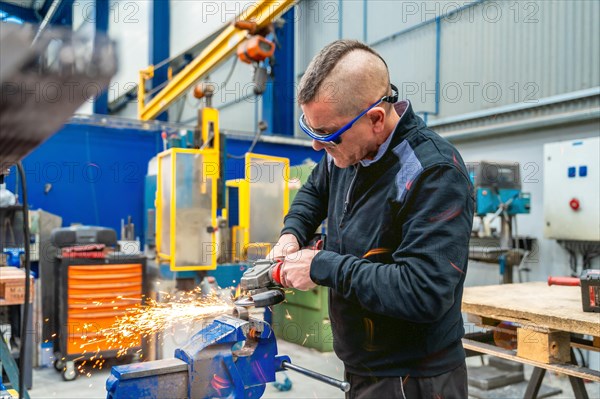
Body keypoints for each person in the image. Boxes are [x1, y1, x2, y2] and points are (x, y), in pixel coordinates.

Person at [268, 39, 474, 399]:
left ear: (376, 119)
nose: (318, 147)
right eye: (311, 130)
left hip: (414, 379)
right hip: (363, 367)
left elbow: (423, 291)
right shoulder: (346, 149)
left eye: (327, 134)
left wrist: (322, 266)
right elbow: (315, 191)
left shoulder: (433, 171)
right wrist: (292, 233)